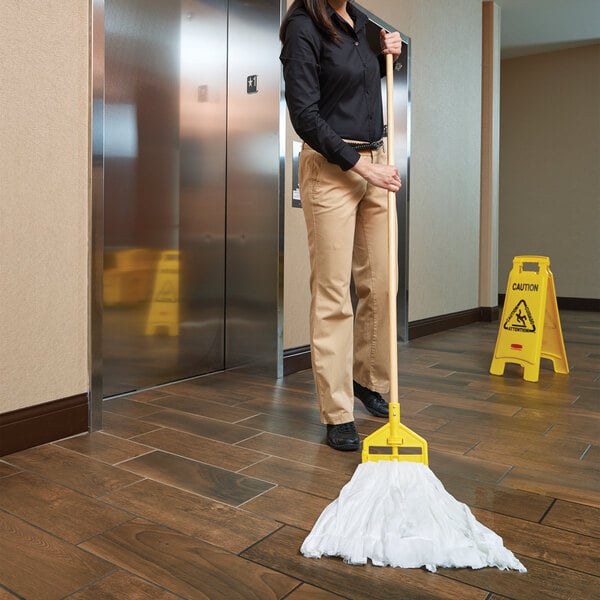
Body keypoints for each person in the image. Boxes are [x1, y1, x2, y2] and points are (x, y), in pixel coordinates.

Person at [280, 0, 402, 451]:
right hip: (333, 167)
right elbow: (304, 114)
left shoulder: (363, 22)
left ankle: (368, 380)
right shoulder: (301, 26)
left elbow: (365, 88)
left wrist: (390, 53)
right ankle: (337, 411)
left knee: (382, 284)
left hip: (376, 161)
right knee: (333, 294)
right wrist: (360, 168)